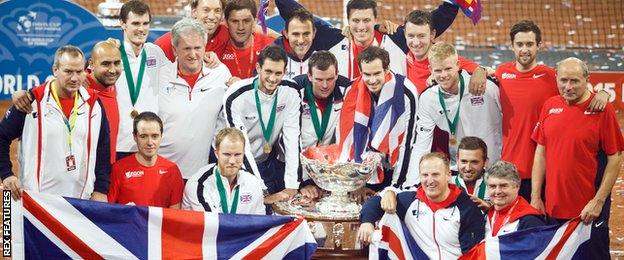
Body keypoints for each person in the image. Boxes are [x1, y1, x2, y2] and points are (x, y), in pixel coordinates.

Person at [488, 20, 609, 201]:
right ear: (512, 46)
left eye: (530, 44)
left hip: (544, 169)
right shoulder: (501, 73)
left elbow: (578, 90)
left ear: (539, 46)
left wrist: (603, 93)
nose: (524, 50)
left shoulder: (551, 76)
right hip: (510, 168)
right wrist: (480, 71)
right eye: (519, 44)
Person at [531, 57, 624, 258]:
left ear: (586, 79)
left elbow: (615, 158)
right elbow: (541, 152)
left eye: (574, 81)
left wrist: (598, 201)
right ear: (556, 79)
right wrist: (536, 196)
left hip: (588, 210)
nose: (568, 87)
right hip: (553, 207)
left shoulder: (602, 109)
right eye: (563, 80)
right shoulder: (550, 106)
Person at [0, 45, 110, 201]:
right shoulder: (31, 101)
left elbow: (103, 148)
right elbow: (2, 136)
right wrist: (6, 175)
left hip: (80, 202)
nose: (74, 78)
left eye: (79, 72)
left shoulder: (94, 105)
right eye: (68, 71)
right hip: (36, 203)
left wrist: (101, 189)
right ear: (55, 70)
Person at [276, 0, 458, 80]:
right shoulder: (335, 39)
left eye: (367, 21)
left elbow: (435, 20)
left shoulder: (395, 38)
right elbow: (300, 14)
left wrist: (453, 3)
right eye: (355, 21)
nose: (361, 27)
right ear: (348, 21)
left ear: (375, 20)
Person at [12, 40, 123, 164]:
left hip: (107, 167)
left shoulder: (111, 81)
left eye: (116, 63)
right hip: (81, 171)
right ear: (91, 64)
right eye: (106, 64)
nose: (112, 70)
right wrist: (24, 93)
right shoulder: (81, 85)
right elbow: (54, 87)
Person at [358, 152, 484, 258]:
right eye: (425, 175)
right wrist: (367, 221)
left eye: (436, 174)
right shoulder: (409, 202)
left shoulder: (467, 209)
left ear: (448, 175)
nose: (430, 180)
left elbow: (473, 254)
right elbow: (374, 202)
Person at [408, 42, 501, 186]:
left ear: (458, 65)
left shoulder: (486, 87)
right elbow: (421, 144)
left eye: (448, 69)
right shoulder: (428, 98)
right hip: (460, 172)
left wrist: (481, 69)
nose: (444, 75)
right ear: (430, 69)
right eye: (438, 71)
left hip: (494, 169)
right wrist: (411, 183)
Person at [222, 45, 301, 204]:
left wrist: (292, 184)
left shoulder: (291, 91)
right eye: (268, 72)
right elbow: (240, 147)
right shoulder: (236, 96)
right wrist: (261, 190)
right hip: (232, 161)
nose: (273, 79)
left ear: (285, 71)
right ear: (258, 68)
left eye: (278, 73)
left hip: (265, 160)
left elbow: (292, 138)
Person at [337, 46, 419, 196]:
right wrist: (356, 183)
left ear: (387, 69)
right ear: (360, 72)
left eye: (377, 73)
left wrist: (395, 188)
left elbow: (408, 143)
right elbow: (347, 138)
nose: (372, 80)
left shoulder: (406, 92)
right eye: (367, 74)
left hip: (396, 167)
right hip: (364, 169)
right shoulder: (351, 90)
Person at [158, 18, 231, 179]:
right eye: (186, 49)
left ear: (205, 47)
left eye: (198, 48)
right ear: (175, 49)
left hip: (201, 175)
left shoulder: (220, 74)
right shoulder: (158, 76)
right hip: (161, 172)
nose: (193, 54)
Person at [116, 0, 170, 160]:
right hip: (119, 142)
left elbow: (180, 72)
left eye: (145, 23)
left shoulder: (155, 52)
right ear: (122, 24)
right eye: (135, 23)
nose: (141, 29)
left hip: (149, 143)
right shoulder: (112, 52)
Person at [293, 51, 351, 199]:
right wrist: (301, 181)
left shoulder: (347, 90)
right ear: (310, 76)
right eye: (319, 79)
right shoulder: (295, 90)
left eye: (330, 79)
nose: (325, 85)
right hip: (297, 167)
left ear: (337, 74)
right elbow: (288, 139)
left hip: (330, 168)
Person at [108, 112, 184, 208]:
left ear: (161, 136)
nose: (150, 142)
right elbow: (109, 211)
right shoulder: (119, 168)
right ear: (135, 137)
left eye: (154, 136)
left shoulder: (172, 170)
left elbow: (175, 216)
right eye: (143, 136)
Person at [183, 127, 265, 214]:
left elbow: (259, 221)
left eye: (237, 154)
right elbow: (213, 224)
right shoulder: (199, 184)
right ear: (216, 154)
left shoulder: (253, 183)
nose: (232, 161)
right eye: (227, 154)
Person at [155, 0, 229, 62]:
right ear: (194, 13)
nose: (212, 17)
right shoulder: (166, 43)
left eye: (217, 11)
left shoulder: (226, 33)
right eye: (206, 10)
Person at [485, 161, 544, 238]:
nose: (498, 191)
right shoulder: (487, 215)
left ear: (517, 186)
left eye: (503, 186)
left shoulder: (531, 221)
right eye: (493, 186)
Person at [219, 0, 275, 79]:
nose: (240, 27)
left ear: (254, 21)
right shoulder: (218, 45)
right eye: (235, 21)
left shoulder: (270, 45)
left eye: (246, 21)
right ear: (226, 23)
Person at [452, 136, 489, 204]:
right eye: (464, 161)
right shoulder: (446, 183)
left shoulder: (496, 186)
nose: (468, 168)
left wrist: (490, 209)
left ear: (485, 162)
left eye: (474, 162)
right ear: (457, 160)